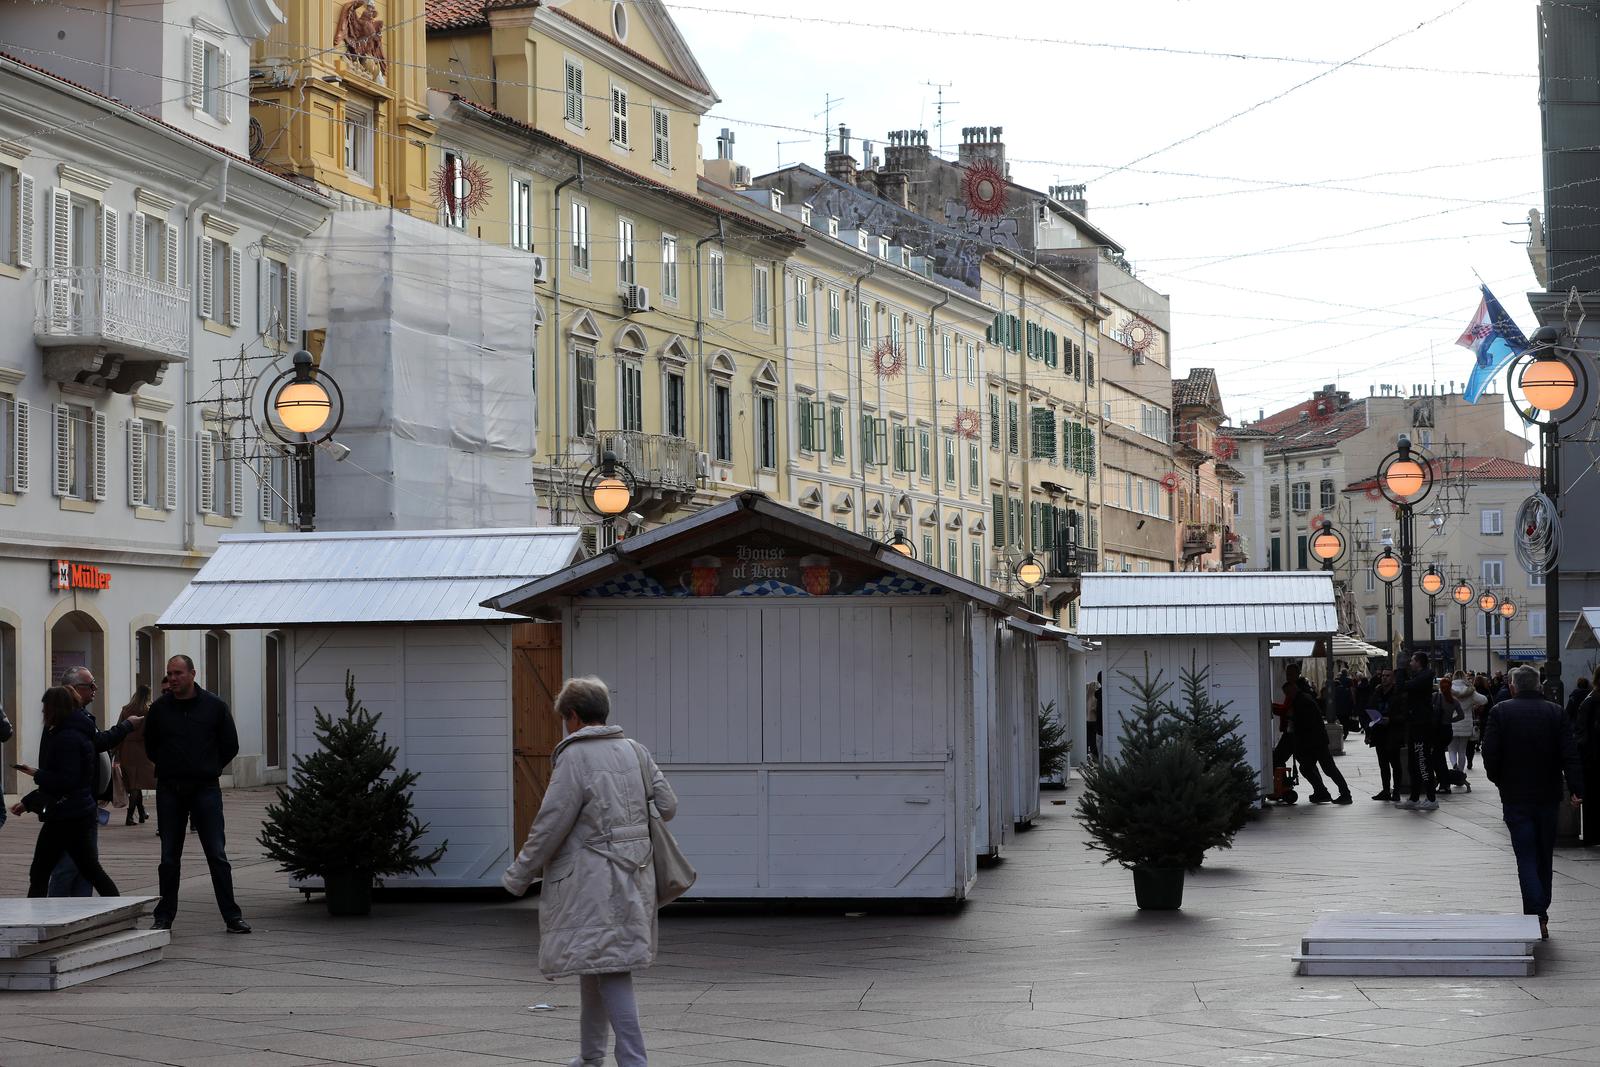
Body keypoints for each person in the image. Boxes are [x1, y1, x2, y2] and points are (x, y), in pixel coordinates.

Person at [503, 677, 677, 1067]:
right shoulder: (635, 751)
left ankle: (634, 1061)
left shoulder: (575, 757)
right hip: (635, 876)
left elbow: (550, 823)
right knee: (595, 964)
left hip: (592, 884)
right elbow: (667, 806)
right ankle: (591, 1055)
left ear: (574, 716)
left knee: (611, 971)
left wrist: (519, 874)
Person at [143, 655, 249, 934]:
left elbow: (230, 745)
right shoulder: (159, 709)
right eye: (169, 673)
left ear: (192, 674)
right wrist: (169, 765)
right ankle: (164, 915)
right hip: (170, 788)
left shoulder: (214, 706)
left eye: (178, 673)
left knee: (216, 854)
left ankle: (232, 916)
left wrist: (209, 767)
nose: (173, 678)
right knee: (168, 857)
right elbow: (150, 746)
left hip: (205, 788)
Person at [1482, 666, 1583, 940]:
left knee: (1525, 855)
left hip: (1515, 795)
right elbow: (1569, 754)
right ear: (1539, 686)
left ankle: (1537, 914)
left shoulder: (1500, 712)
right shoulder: (1556, 712)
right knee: (1543, 855)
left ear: (1513, 687)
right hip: (1548, 795)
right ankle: (1540, 912)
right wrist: (1576, 788)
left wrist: (1499, 780)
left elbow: (1490, 753)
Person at [9, 688, 121, 898]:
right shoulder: (77, 731)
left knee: (42, 870)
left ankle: (37, 915)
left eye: (45, 708)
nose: (43, 713)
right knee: (89, 868)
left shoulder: (66, 738)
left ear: (55, 709)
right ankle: (116, 903)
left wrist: (37, 774)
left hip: (65, 814)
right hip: (77, 810)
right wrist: (28, 801)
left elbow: (65, 780)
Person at [43, 668, 136, 896]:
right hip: (73, 807)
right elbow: (98, 743)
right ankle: (55, 910)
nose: (95, 689)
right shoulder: (72, 721)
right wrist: (127, 726)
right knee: (71, 865)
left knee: (85, 865)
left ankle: (83, 909)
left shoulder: (78, 719)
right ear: (74, 690)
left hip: (84, 803)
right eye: (90, 685)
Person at [1281, 676, 1352, 804]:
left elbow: (1305, 723)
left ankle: (1340, 793)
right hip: (1316, 741)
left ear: (1293, 690)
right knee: (1315, 768)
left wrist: (1292, 718)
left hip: (1313, 742)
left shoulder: (1301, 701)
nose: (1287, 696)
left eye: (1287, 693)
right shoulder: (1303, 698)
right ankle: (1325, 792)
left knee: (1324, 768)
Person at [1398, 652, 1438, 811]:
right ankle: (1414, 797)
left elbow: (1402, 687)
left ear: (1419, 662)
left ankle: (1431, 797)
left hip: (1422, 724)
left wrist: (1400, 669)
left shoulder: (1425, 676)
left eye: (1412, 661)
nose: (1410, 663)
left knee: (1422, 760)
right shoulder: (1420, 676)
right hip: (1415, 723)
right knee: (1413, 762)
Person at [117, 686, 155, 826]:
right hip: (142, 749)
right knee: (136, 784)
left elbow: (119, 728)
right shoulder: (148, 711)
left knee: (133, 783)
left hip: (126, 749)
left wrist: (116, 752)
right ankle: (130, 816)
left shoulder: (126, 710)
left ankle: (141, 813)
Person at [1365, 669, 1401, 800]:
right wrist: (1368, 732)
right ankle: (1386, 790)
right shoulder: (1377, 692)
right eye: (1383, 676)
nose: (1384, 678)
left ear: (1393, 678)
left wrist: (1391, 720)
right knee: (1383, 764)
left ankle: (1396, 791)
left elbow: (1403, 714)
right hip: (1379, 732)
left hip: (1393, 732)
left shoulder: (1398, 693)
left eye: (1387, 676)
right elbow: (1370, 708)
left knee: (1395, 764)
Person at [1447, 672, 1485, 779]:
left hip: (1451, 722)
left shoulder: (1448, 689)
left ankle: (1454, 765)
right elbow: (1484, 700)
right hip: (1466, 723)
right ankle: (1460, 773)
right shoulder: (1469, 690)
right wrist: (1473, 703)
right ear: (1464, 677)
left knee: (1452, 749)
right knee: (1462, 750)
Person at [1577, 669, 1600, 848]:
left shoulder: (1590, 700)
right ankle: (1592, 835)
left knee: (1592, 798)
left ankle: (1592, 835)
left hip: (1592, 759)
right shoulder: (1591, 701)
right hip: (1593, 759)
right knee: (1592, 798)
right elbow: (1585, 735)